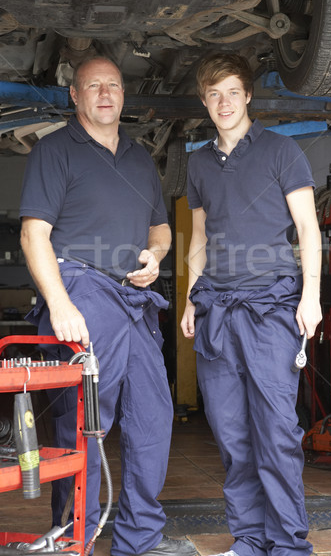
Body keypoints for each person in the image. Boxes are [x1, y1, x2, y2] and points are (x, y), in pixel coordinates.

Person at [20, 56, 197, 556]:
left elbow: (159, 227)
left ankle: (139, 539)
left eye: (113, 85)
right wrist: (59, 303)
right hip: (81, 290)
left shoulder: (140, 158)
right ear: (74, 96)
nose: (105, 93)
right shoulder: (55, 151)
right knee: (81, 422)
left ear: (124, 95)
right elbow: (34, 234)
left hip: (134, 298)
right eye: (93, 85)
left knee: (153, 416)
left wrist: (155, 255)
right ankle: (76, 535)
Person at [181, 53, 322, 556]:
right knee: (232, 434)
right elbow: (198, 236)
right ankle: (248, 540)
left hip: (272, 308)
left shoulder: (282, 151)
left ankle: (287, 545)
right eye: (214, 94)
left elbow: (308, 229)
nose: (224, 102)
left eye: (233, 92)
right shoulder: (197, 161)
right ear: (204, 101)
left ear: (247, 97)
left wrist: (312, 297)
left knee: (277, 432)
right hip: (217, 309)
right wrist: (191, 299)